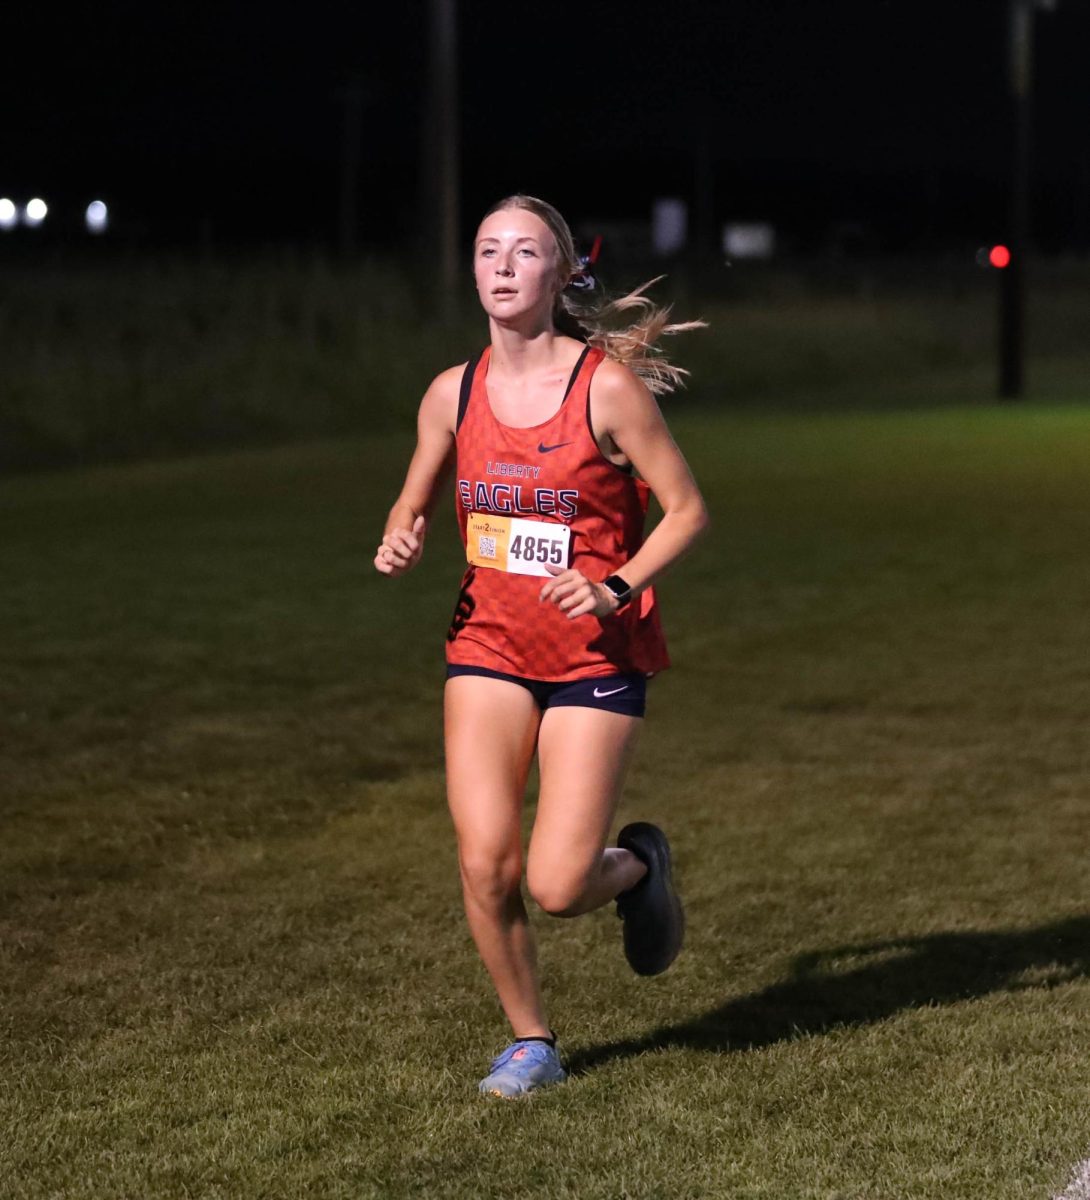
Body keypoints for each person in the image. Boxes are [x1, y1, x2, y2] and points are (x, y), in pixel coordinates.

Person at [375, 194, 708, 1097]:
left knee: (560, 885)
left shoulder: (603, 387)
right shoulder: (453, 391)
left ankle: (639, 867)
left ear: (561, 274)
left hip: (593, 655)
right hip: (486, 646)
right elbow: (414, 495)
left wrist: (614, 586)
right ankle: (532, 1042)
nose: (504, 265)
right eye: (488, 250)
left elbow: (686, 510)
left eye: (526, 252)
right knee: (486, 861)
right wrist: (402, 532)